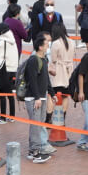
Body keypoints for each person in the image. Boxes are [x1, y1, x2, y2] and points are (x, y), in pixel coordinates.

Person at [23, 35, 53, 163]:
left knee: (39, 124)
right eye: (46, 44)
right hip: (34, 98)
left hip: (42, 97)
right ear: (40, 46)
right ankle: (35, 152)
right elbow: (32, 80)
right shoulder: (33, 60)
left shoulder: (44, 59)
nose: (48, 46)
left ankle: (34, 149)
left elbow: (46, 78)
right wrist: (37, 97)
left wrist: (52, 93)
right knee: (36, 125)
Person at [50, 20, 75, 120]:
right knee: (65, 96)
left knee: (53, 95)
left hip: (59, 72)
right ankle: (62, 118)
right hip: (69, 72)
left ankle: (51, 117)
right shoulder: (72, 41)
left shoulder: (56, 43)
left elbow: (53, 59)